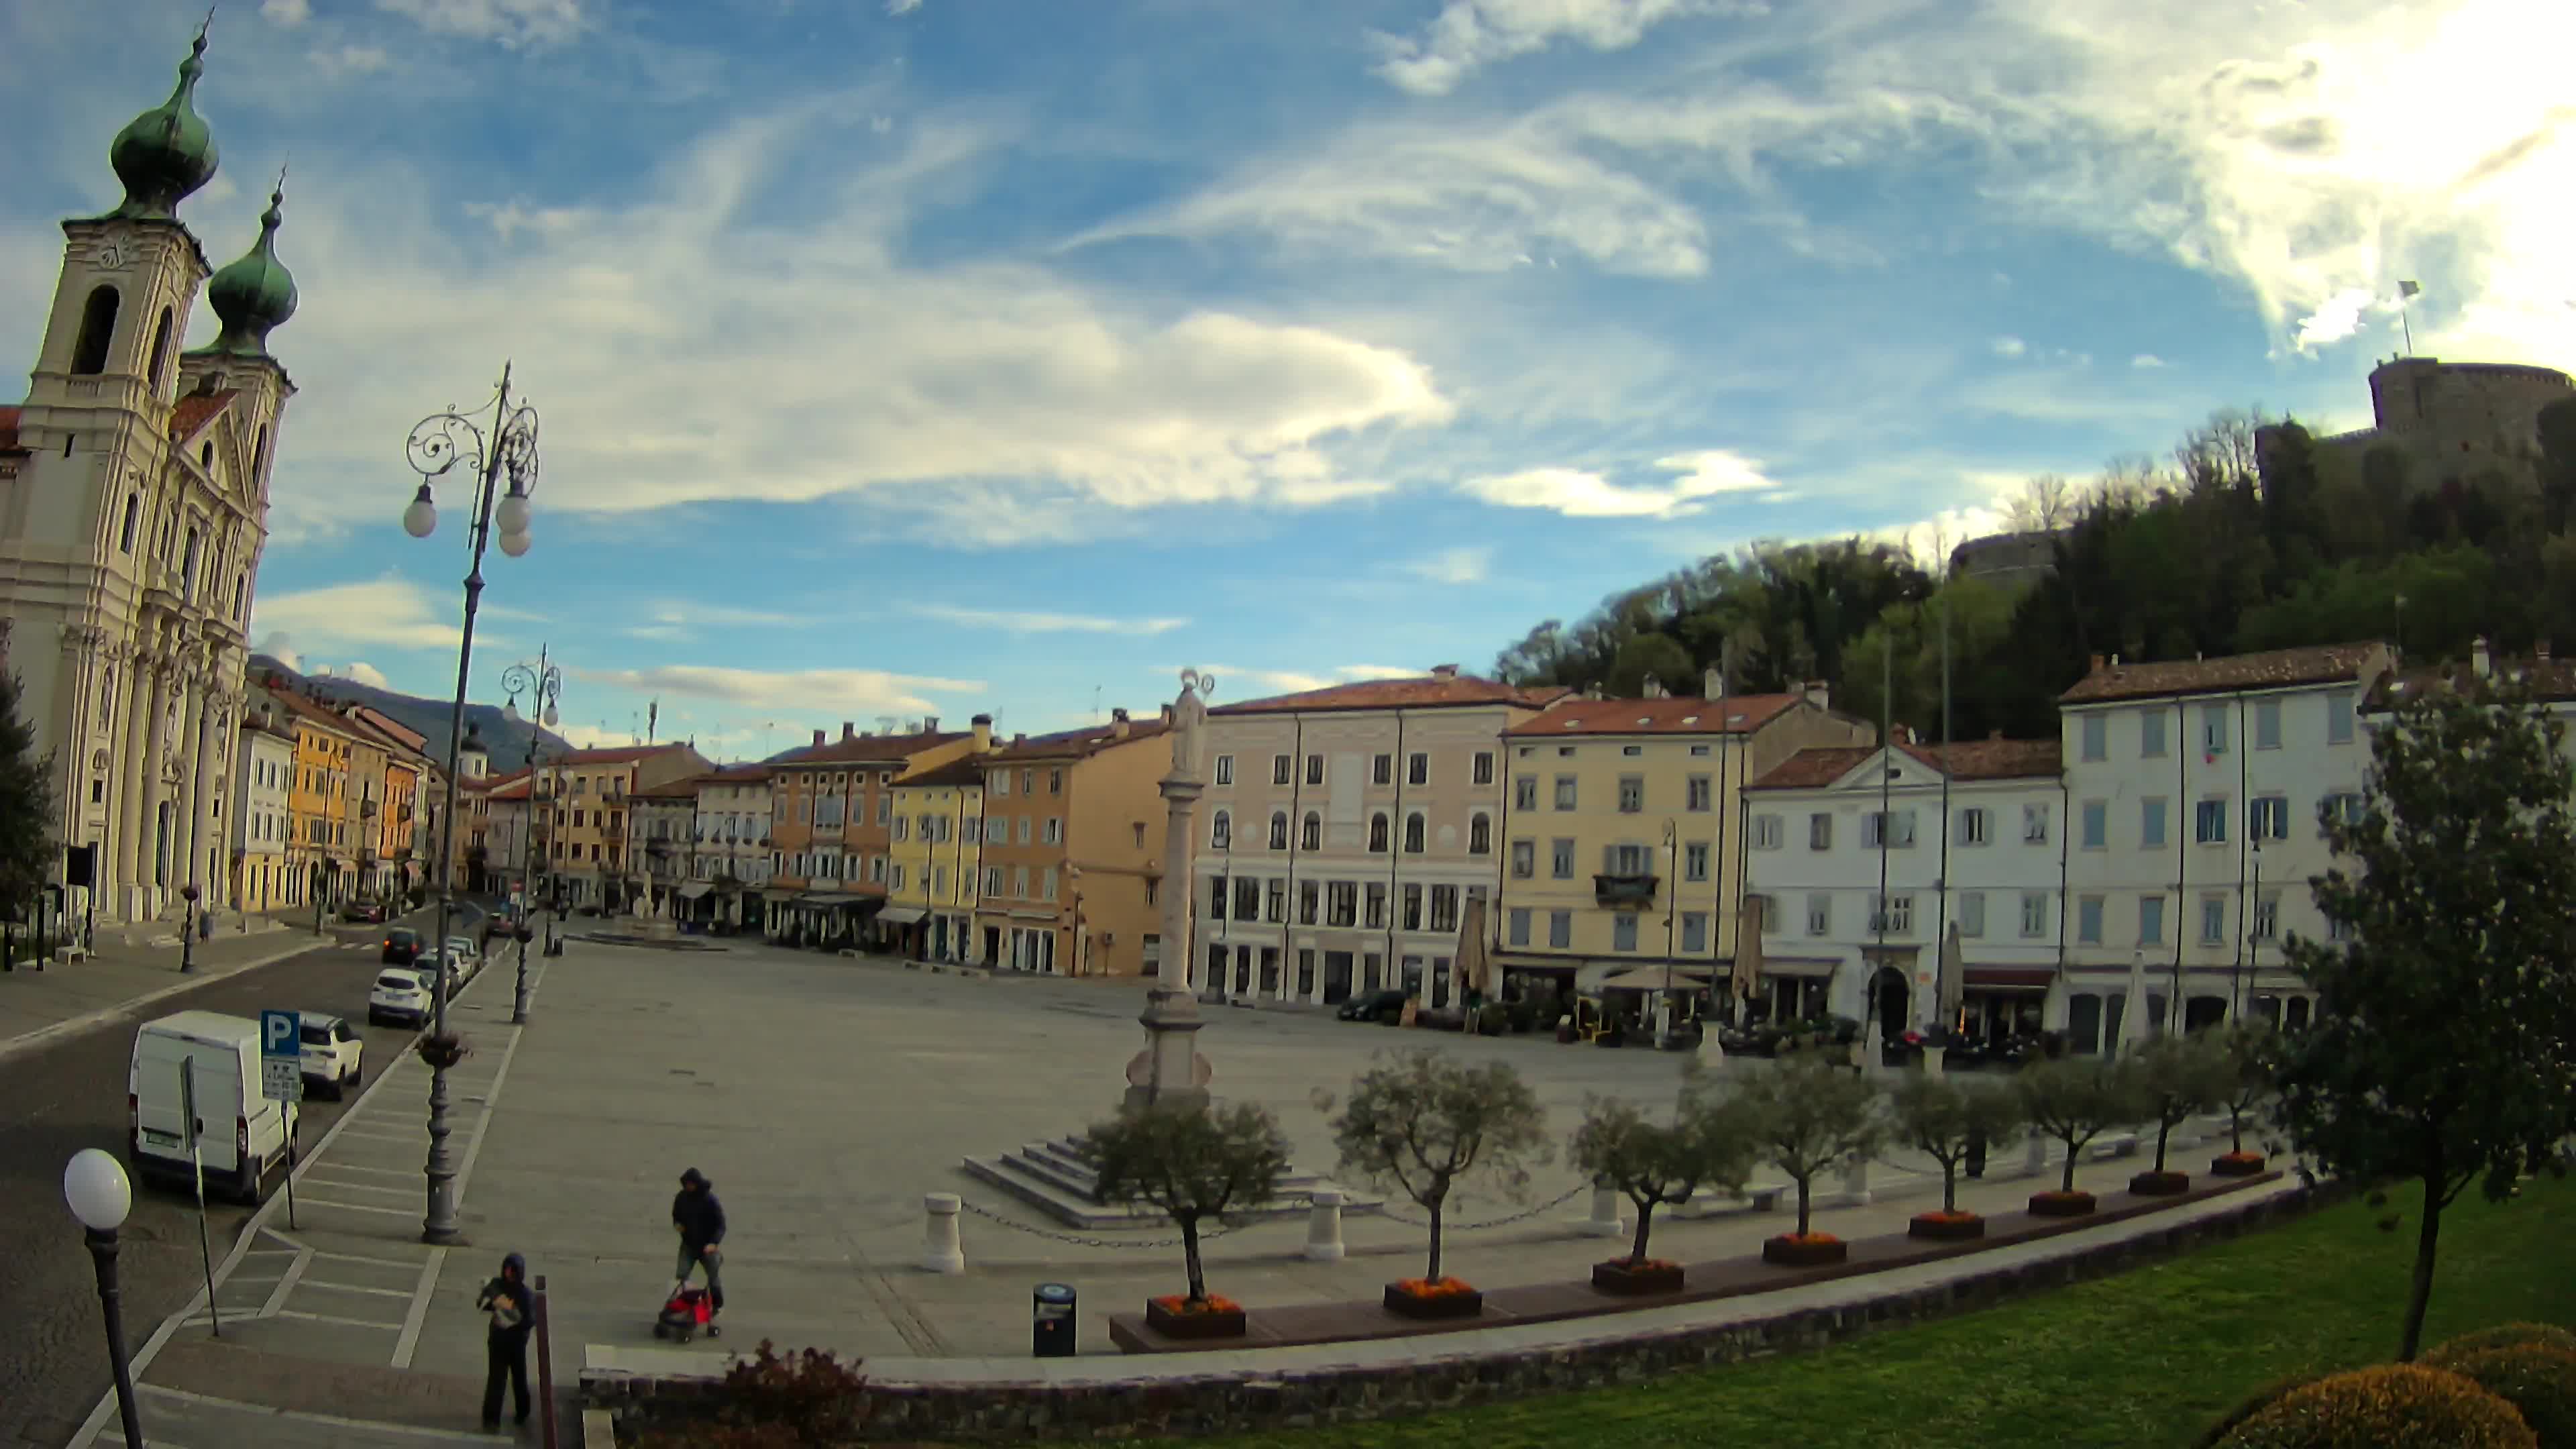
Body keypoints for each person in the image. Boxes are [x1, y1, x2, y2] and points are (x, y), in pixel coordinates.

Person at [476, 1252, 533, 1432]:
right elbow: (481, 1303)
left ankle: (523, 1412)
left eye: (512, 1270)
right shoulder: (496, 1285)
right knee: (496, 1380)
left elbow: (530, 1320)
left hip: (516, 1343)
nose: (508, 1274)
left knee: (519, 1379)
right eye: (506, 1269)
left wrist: (513, 1319)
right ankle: (491, 1418)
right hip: (498, 1340)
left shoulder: (525, 1295)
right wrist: (493, 1304)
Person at [672, 1168, 726, 1320]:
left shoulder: (710, 1201)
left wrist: (714, 1243)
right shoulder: (681, 1198)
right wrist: (678, 1225)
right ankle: (684, 1303)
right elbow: (676, 1216)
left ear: (697, 1184)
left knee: (713, 1276)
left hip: (707, 1247)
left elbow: (721, 1225)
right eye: (686, 1184)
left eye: (691, 1184)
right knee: (682, 1275)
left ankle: (717, 1305)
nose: (688, 1187)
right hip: (689, 1245)